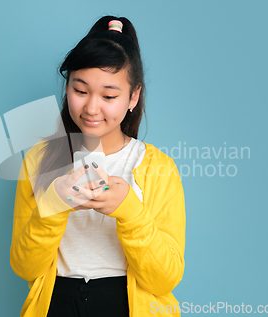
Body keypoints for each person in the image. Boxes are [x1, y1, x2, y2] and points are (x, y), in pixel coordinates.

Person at [10, 16, 186, 317]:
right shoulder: (39, 160)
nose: (91, 108)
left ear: (133, 97)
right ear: (67, 89)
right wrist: (55, 202)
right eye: (80, 91)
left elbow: (165, 278)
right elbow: (25, 266)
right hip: (57, 304)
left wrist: (129, 210)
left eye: (108, 96)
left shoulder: (158, 167)